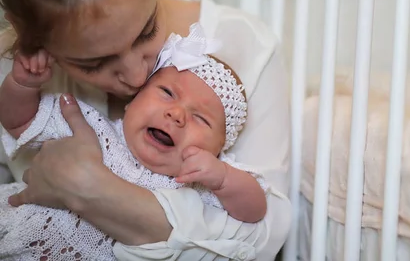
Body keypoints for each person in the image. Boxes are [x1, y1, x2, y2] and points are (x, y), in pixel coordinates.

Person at [0, 0, 291, 260]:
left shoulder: (247, 48)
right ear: (29, 38)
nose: (138, 76)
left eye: (146, 32)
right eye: (93, 63)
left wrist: (88, 186)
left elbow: (262, 239)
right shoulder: (22, 71)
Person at [0, 23, 270, 260]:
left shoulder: (198, 183)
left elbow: (254, 211)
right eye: (166, 92)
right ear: (131, 104)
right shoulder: (91, 128)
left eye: (201, 118)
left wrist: (223, 178)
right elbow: (19, 123)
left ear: (219, 150)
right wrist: (22, 86)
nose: (176, 114)